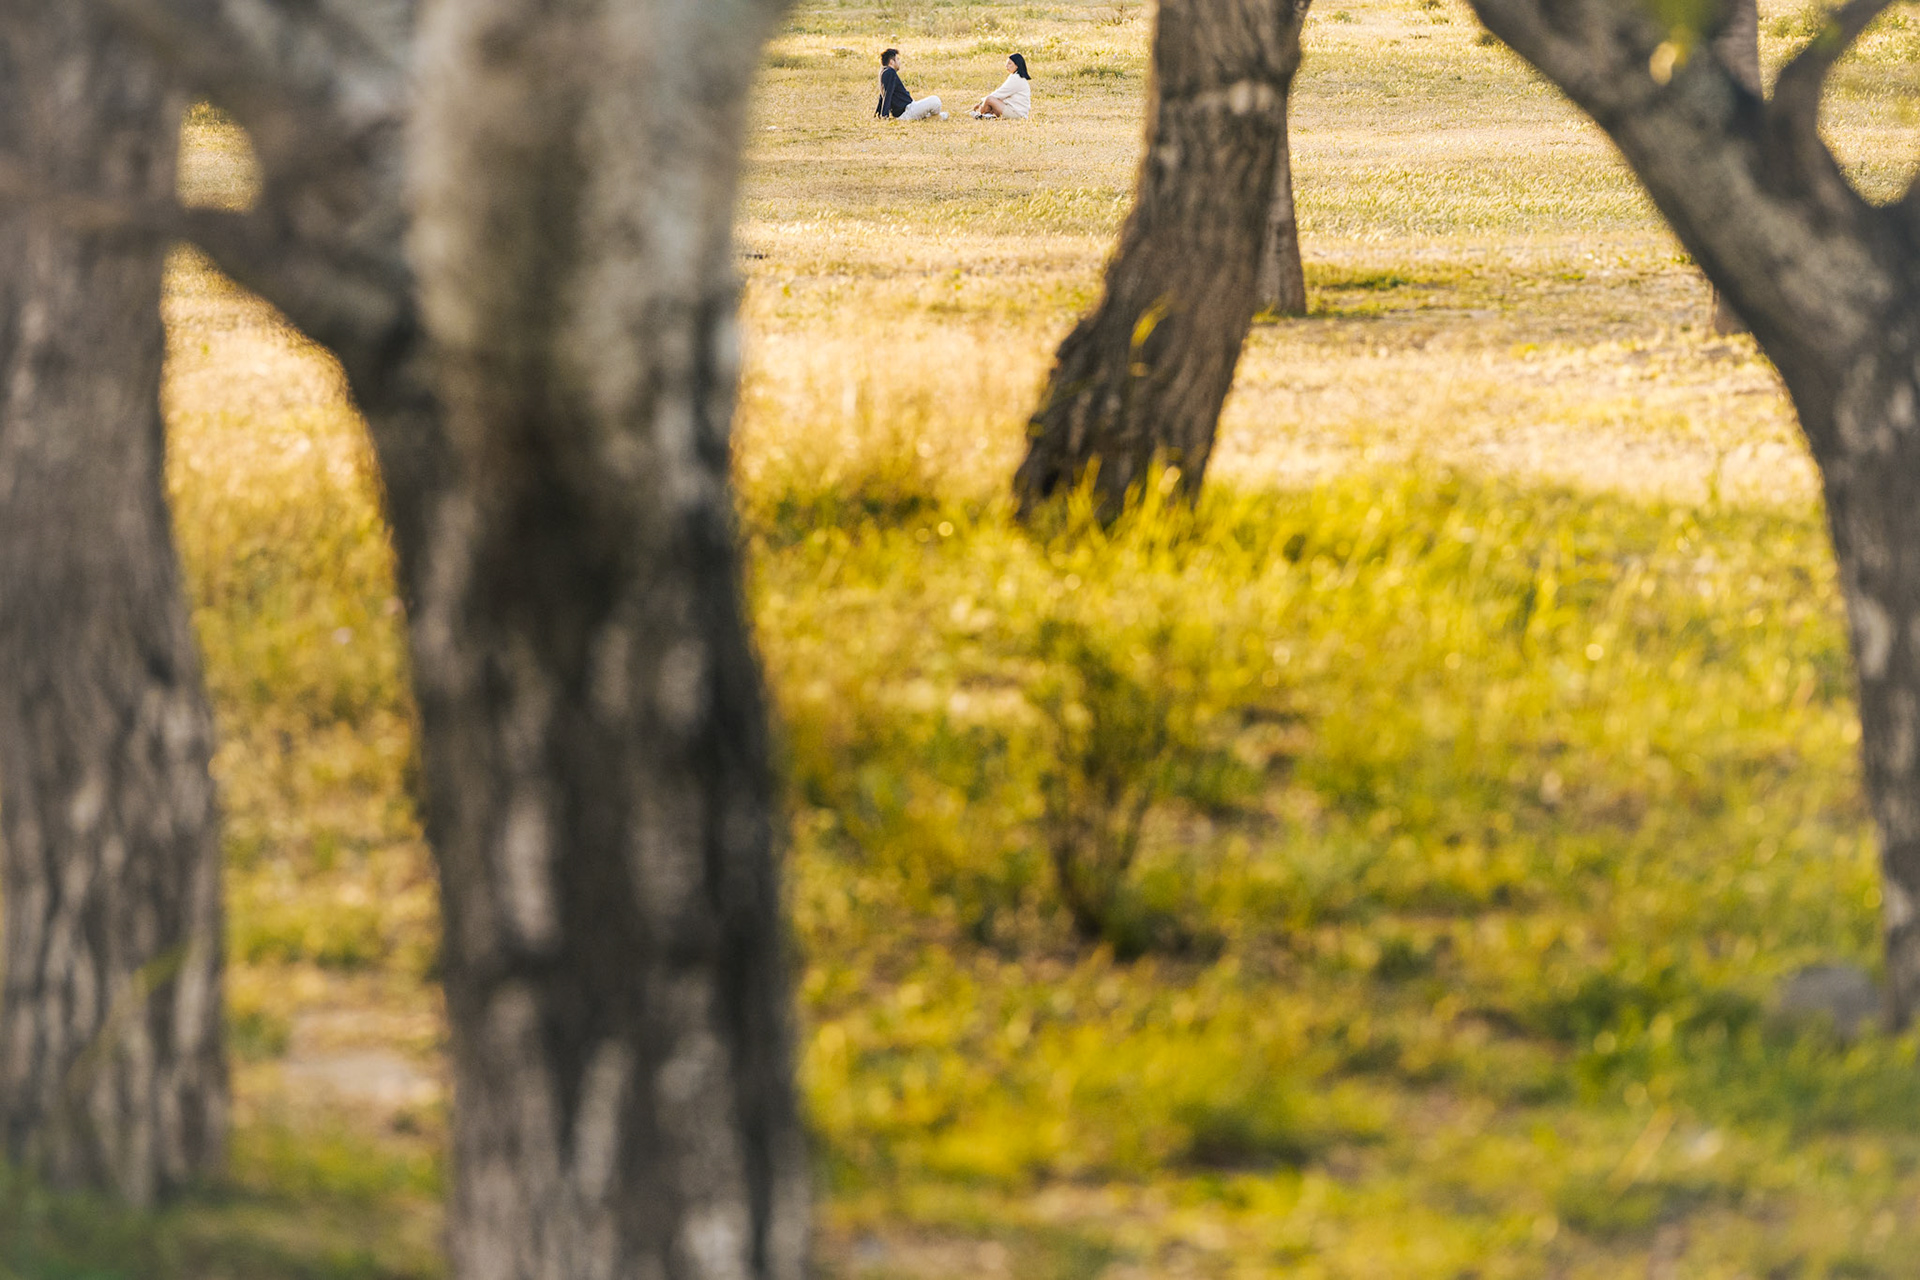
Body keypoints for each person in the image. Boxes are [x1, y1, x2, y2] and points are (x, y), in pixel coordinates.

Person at [875, 48, 946, 122]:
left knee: (944, 114)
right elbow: (887, 94)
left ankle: (930, 118)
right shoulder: (890, 72)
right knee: (935, 100)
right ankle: (932, 118)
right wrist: (884, 115)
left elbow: (882, 93)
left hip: (909, 108)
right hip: (907, 111)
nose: (899, 62)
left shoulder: (883, 71)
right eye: (897, 59)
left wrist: (878, 112)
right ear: (891, 62)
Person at [971, 53, 1032, 119]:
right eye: (1006, 63)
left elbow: (1000, 93)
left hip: (1017, 114)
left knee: (989, 99)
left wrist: (982, 103)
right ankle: (987, 116)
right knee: (990, 102)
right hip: (1015, 110)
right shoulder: (1016, 76)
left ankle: (983, 115)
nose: (1006, 66)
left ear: (1016, 65)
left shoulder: (1016, 79)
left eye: (1009, 63)